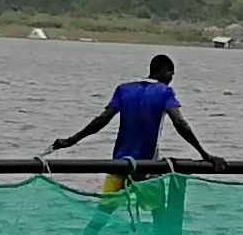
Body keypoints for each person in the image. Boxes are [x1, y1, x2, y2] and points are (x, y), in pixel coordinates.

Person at [53, 55, 217, 183]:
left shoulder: (124, 90)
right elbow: (180, 123)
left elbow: (101, 121)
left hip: (119, 165)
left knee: (102, 213)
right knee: (158, 212)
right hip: (146, 167)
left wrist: (71, 141)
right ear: (164, 70)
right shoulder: (165, 92)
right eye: (170, 74)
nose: (171, 79)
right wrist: (204, 154)